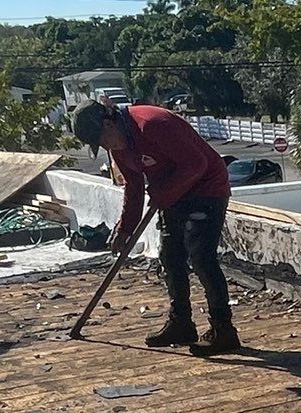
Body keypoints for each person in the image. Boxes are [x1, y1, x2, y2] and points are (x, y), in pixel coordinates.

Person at [71, 96, 237, 353]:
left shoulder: (152, 124)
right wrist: (125, 229)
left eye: (103, 140)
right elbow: (134, 187)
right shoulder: (119, 147)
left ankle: (223, 330)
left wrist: (164, 193)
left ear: (108, 123)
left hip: (207, 189)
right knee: (170, 257)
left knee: (201, 257)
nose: (106, 147)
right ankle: (181, 323)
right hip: (173, 194)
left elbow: (197, 164)